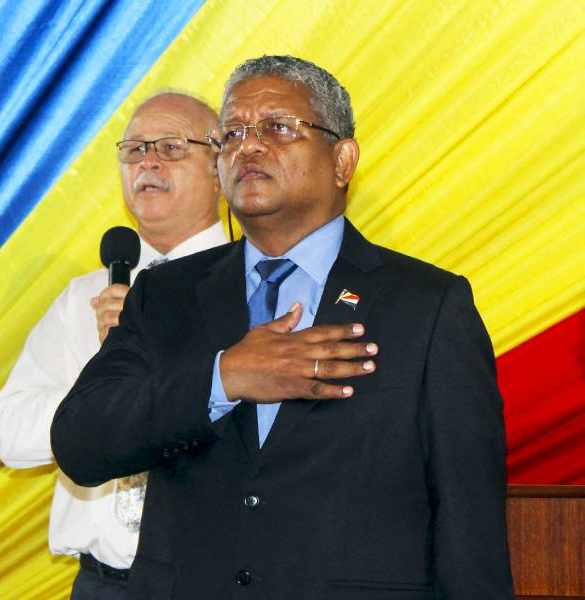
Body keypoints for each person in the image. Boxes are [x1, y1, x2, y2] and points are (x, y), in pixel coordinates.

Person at [52, 56, 513, 599]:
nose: (249, 146)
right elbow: (81, 442)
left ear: (343, 160)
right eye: (233, 133)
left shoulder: (427, 305)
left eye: (278, 128)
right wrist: (222, 378)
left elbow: (470, 523)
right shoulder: (167, 294)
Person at [0, 92, 228, 598]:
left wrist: (163, 362)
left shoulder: (255, 286)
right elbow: (9, 434)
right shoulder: (85, 298)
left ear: (220, 166)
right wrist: (104, 380)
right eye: (135, 149)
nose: (148, 162)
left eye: (170, 146)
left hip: (213, 579)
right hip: (102, 585)